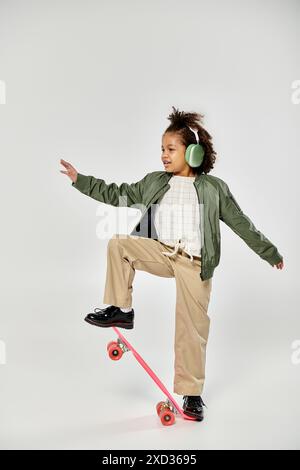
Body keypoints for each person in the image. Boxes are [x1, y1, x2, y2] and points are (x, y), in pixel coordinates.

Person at [60, 106, 284, 421]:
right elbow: (118, 193)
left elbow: (241, 223)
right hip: (163, 251)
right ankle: (121, 310)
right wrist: (79, 180)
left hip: (194, 263)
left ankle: (191, 394)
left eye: (170, 149)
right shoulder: (155, 181)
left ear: (191, 152)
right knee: (119, 244)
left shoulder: (213, 188)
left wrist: (269, 252)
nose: (164, 155)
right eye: (161, 149)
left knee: (191, 328)